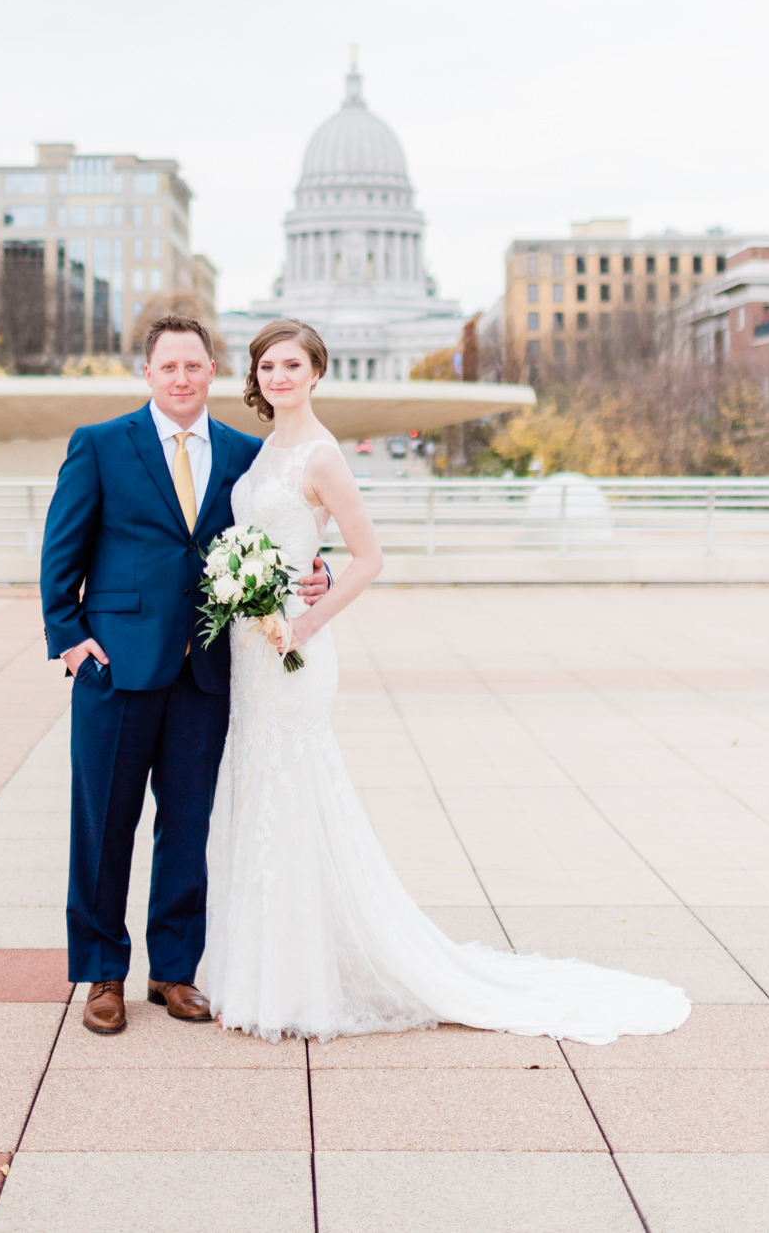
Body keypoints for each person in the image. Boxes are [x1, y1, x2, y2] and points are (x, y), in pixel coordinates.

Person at [205, 318, 692, 1046]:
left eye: (292, 365)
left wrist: (307, 623)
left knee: (295, 795)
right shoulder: (265, 448)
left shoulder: (323, 454)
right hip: (251, 651)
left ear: (316, 373)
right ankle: (263, 971)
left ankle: (299, 983)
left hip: (295, 654)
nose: (279, 376)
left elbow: (368, 556)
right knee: (255, 790)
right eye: (268, 365)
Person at [39, 313, 332, 1035]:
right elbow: (60, 550)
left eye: (194, 367)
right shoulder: (101, 446)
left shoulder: (243, 453)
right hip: (116, 669)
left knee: (188, 825)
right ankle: (102, 974)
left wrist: (315, 570)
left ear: (210, 374)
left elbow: (281, 528)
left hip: (206, 670)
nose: (181, 378)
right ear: (148, 374)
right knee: (103, 825)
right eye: (168, 367)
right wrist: (70, 637)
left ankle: (175, 970)